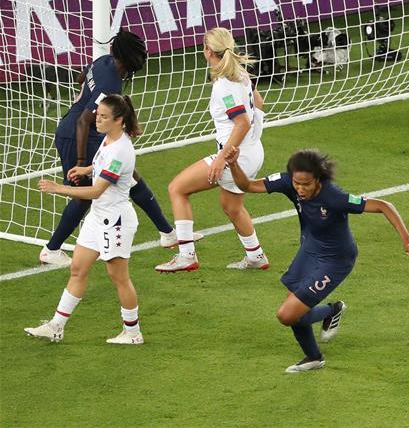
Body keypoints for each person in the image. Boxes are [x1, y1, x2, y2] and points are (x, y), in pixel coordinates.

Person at [225, 148, 409, 372]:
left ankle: (331, 311)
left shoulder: (334, 197)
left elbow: (384, 206)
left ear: (318, 179)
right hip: (309, 250)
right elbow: (248, 186)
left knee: (287, 314)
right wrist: (232, 164)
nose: (300, 188)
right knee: (295, 312)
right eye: (297, 183)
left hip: (336, 260)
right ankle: (314, 356)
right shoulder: (290, 181)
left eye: (306, 184)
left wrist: (407, 240)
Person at [40, 30, 187, 267]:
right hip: (77, 135)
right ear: (129, 57)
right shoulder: (110, 84)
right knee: (84, 197)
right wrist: (80, 161)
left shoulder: (103, 61)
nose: (142, 59)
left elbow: (82, 77)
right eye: (140, 55)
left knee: (130, 176)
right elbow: (83, 121)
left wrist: (87, 91)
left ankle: (167, 232)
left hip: (89, 133)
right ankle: (51, 250)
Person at [26, 95, 146, 344]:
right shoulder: (109, 139)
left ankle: (133, 333)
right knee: (77, 268)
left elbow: (95, 191)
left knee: (119, 278)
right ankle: (56, 326)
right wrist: (86, 169)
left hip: (115, 221)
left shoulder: (120, 150)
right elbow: (101, 168)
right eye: (97, 114)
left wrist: (59, 188)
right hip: (99, 216)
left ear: (119, 120)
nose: (97, 120)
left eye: (103, 117)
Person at [155, 27, 268, 273]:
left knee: (177, 188)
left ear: (208, 51)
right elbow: (257, 103)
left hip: (235, 155)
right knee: (232, 206)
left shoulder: (224, 85)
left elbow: (241, 123)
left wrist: (220, 159)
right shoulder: (239, 73)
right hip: (252, 150)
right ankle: (256, 256)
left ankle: (186, 255)